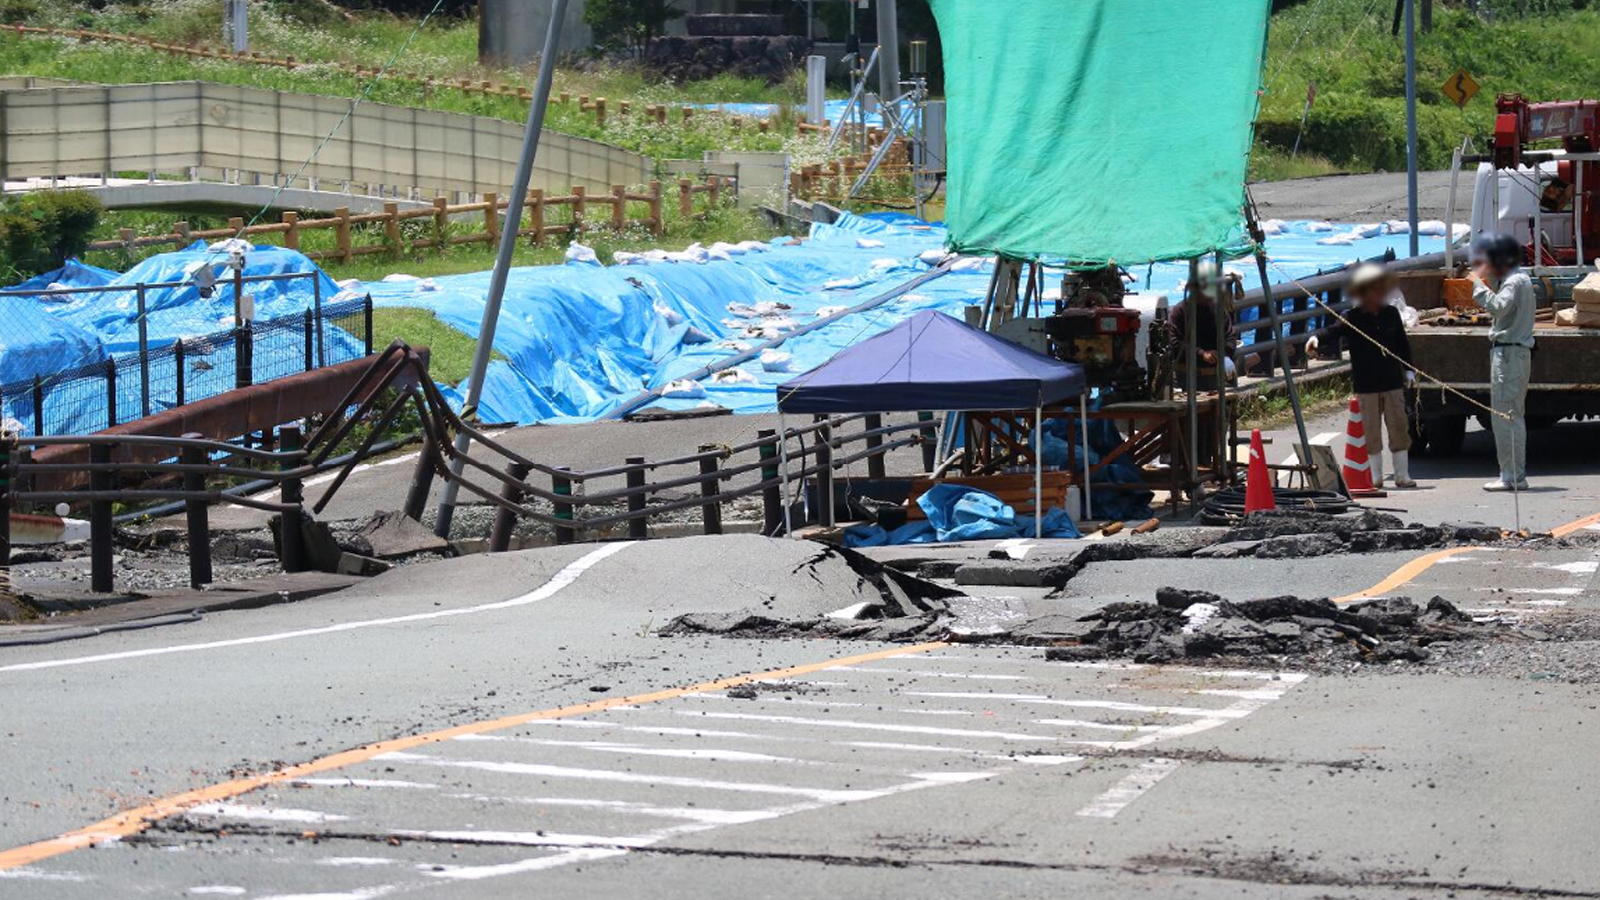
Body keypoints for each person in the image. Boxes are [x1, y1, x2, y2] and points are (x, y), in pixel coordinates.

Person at [1335, 263, 1416, 487]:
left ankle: (1402, 475)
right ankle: (1375, 476)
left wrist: (1409, 370)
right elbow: (1331, 332)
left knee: (1399, 427)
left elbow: (1402, 344)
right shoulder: (1351, 317)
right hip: (1366, 384)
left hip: (1392, 381)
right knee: (1370, 431)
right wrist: (1314, 339)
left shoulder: (1391, 314)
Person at [1469, 231, 1535, 491]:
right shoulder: (1519, 279)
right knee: (1511, 415)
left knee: (1505, 416)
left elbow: (1498, 306)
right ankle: (1512, 473)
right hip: (1513, 354)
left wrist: (1477, 284)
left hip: (1509, 355)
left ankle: (1512, 476)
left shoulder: (1514, 282)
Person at [1169, 261, 1237, 381]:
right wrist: (1201, 354)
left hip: (1215, 375)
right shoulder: (1181, 310)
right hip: (1187, 375)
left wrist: (1224, 355)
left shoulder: (1218, 309)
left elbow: (1230, 336)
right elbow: (1174, 342)